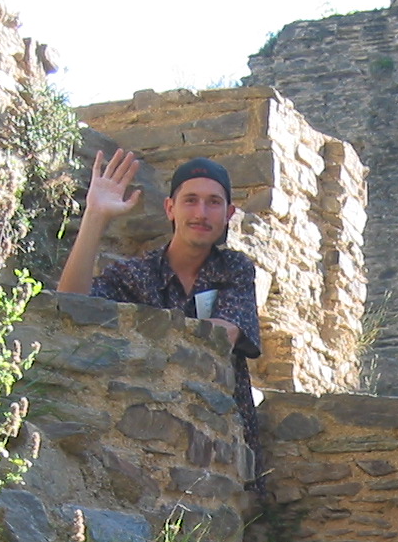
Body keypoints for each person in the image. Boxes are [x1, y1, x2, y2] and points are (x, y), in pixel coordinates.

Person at [57, 148, 263, 448]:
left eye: (214, 203)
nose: (201, 213)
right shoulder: (135, 274)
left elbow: (223, 334)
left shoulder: (235, 269)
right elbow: (70, 307)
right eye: (190, 200)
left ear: (229, 214)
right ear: (170, 208)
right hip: (141, 434)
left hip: (219, 444)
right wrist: (95, 216)